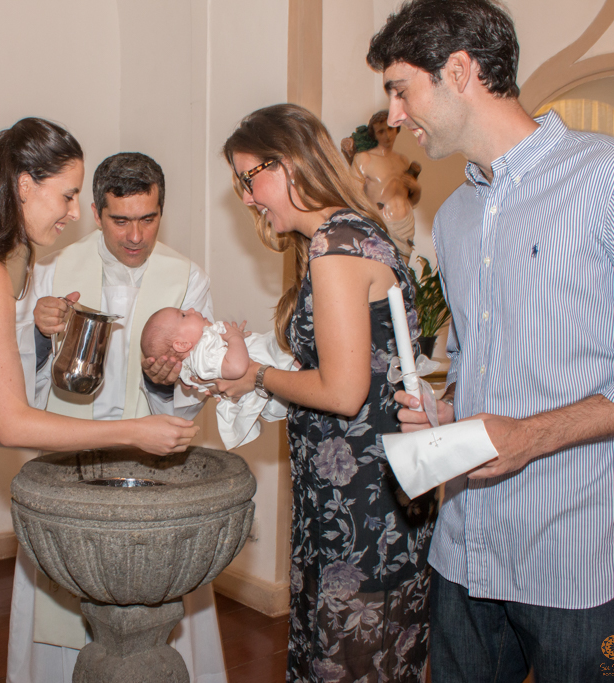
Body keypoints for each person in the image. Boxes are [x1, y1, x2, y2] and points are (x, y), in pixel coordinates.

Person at [367, 1, 614, 680]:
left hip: (581, 555)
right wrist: (449, 413)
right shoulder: (457, 214)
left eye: (401, 90)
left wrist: (532, 435)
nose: (395, 117)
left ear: (460, 70)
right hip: (466, 547)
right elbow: (477, 364)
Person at [0, 121, 198, 683]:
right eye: (68, 195)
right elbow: (11, 419)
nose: (75, 213)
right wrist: (132, 433)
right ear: (25, 185)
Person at [220, 103, 437, 683]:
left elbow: (343, 390)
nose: (247, 198)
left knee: (354, 659)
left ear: (288, 164)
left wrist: (257, 379)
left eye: (249, 178)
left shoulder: (336, 246)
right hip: (358, 492)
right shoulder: (350, 235)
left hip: (363, 504)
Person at [8, 152, 226, 683]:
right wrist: (38, 332)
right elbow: (13, 386)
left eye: (147, 218)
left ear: (161, 211)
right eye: (120, 220)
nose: (135, 236)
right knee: (63, 612)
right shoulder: (55, 270)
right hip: (71, 463)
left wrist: (164, 378)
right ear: (95, 212)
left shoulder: (187, 279)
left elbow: (203, 379)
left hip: (151, 468)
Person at [140, 307, 295, 450]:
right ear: (181, 344)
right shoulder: (203, 355)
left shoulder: (199, 355)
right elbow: (238, 368)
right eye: (183, 315)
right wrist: (235, 337)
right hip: (276, 372)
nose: (192, 309)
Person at [341, 111, 422, 263]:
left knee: (400, 279)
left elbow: (412, 201)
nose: (387, 136)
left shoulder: (403, 161)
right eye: (381, 131)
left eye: (390, 129)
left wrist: (416, 188)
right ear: (374, 134)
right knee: (380, 276)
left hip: (404, 225)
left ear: (396, 129)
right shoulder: (365, 159)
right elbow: (352, 198)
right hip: (379, 226)